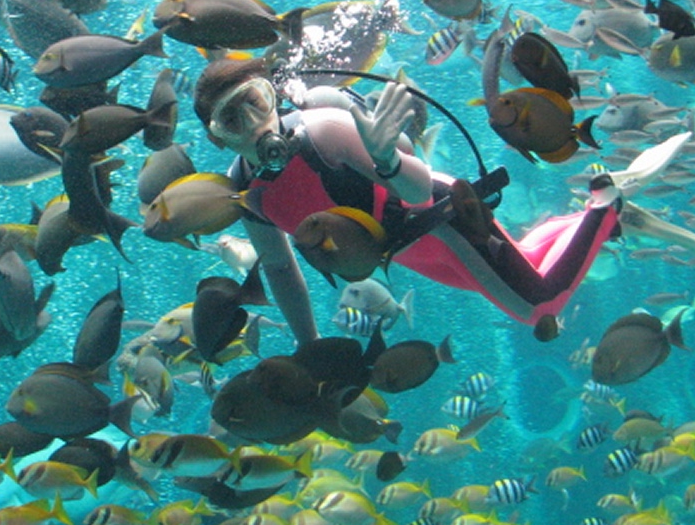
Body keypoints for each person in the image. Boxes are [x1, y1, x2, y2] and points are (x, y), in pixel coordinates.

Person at [194, 58, 633, 345]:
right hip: (407, 251)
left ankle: (603, 208)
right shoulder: (246, 190)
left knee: (537, 307)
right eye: (232, 119)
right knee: (525, 265)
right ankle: (582, 221)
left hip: (443, 219)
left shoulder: (323, 131)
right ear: (217, 138)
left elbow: (419, 192)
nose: (252, 123)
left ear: (272, 96)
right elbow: (278, 268)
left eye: (255, 103)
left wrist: (386, 158)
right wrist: (309, 344)